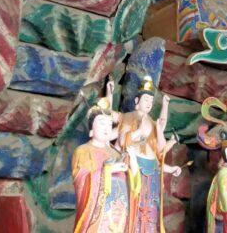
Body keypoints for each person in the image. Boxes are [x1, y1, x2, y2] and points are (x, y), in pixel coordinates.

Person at [117, 76, 181, 233]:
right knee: (134, 205)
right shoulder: (129, 117)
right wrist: (138, 132)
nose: (149, 103)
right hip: (134, 167)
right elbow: (123, 141)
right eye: (146, 99)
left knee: (151, 208)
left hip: (152, 171)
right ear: (137, 101)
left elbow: (160, 149)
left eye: (151, 101)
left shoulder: (152, 123)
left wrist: (165, 106)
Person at [72, 95, 140, 233]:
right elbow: (82, 182)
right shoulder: (83, 151)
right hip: (100, 216)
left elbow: (134, 186)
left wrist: (133, 159)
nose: (106, 128)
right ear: (91, 130)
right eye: (101, 123)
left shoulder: (116, 154)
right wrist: (108, 170)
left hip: (120, 213)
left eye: (109, 124)